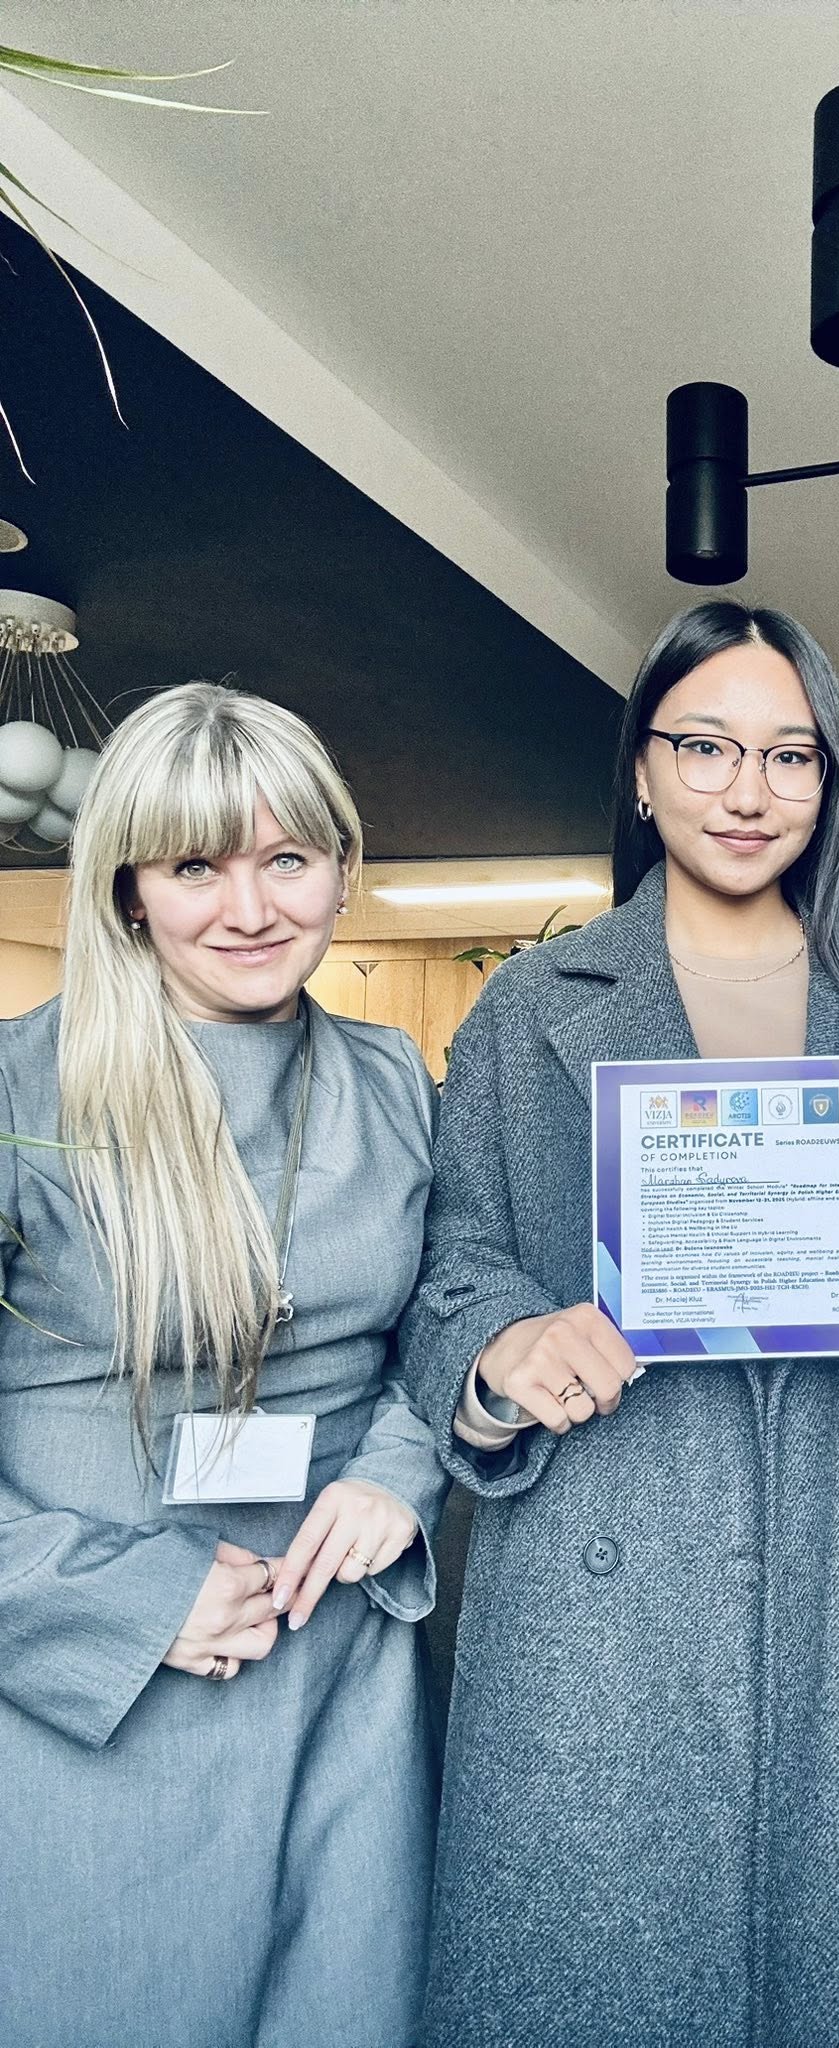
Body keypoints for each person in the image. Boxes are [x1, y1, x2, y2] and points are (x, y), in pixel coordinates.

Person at [401, 600, 839, 2048]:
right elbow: (452, 1269)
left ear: (828, 783)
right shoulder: (528, 1005)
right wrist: (501, 1354)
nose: (747, 790)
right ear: (642, 772)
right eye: (705, 746)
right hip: (598, 1629)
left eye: (790, 755)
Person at [0, 682, 448, 2048]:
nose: (250, 909)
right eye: (196, 866)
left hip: (340, 1666)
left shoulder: (394, 1081)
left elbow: (446, 1323)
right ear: (128, 888)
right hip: (87, 1677)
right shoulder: (18, 1090)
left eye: (287, 859)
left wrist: (399, 1470)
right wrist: (125, 1604)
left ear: (343, 868)